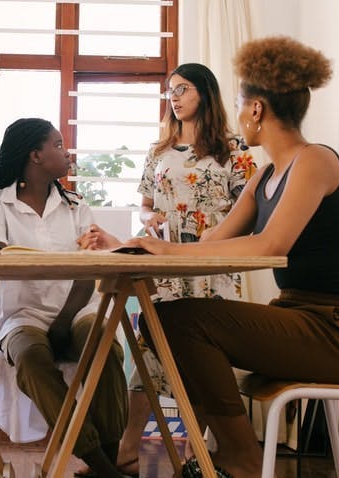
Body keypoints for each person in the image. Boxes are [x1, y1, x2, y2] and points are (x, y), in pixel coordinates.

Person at [112, 37, 339, 478]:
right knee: (168, 320)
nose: (238, 114)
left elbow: (268, 247)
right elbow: (210, 247)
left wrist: (166, 248)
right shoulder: (265, 177)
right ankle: (227, 454)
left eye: (240, 104)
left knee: (184, 321)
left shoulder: (314, 161)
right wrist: (136, 244)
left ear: (256, 109)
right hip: (301, 317)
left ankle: (240, 458)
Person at [117, 63, 256, 477]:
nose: (174, 98)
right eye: (169, 91)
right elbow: (144, 204)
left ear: (205, 93)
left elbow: (252, 209)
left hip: (213, 265)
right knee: (148, 351)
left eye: (182, 89)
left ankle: (193, 452)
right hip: (164, 263)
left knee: (205, 360)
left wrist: (219, 234)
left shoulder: (234, 148)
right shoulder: (158, 150)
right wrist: (149, 220)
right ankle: (127, 450)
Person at [0, 118, 128, 478]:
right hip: (23, 315)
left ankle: (102, 464)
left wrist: (63, 321)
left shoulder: (76, 205)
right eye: (59, 145)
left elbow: (86, 272)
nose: (67, 152)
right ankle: (103, 466)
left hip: (77, 311)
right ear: (36, 155)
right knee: (31, 358)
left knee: (106, 347)